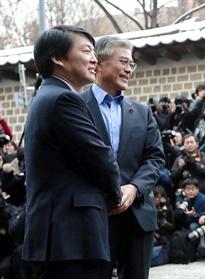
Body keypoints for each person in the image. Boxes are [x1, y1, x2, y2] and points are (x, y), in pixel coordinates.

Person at [23, 25, 122, 279]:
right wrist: (116, 195)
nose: (94, 59)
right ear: (58, 58)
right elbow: (100, 158)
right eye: (86, 50)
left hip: (61, 239)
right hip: (72, 239)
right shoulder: (63, 99)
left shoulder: (48, 96)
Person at [80, 36, 165, 279]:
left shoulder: (142, 112)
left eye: (132, 64)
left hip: (137, 215)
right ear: (99, 63)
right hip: (96, 213)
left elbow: (155, 158)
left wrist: (134, 189)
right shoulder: (75, 106)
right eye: (124, 62)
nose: (129, 69)